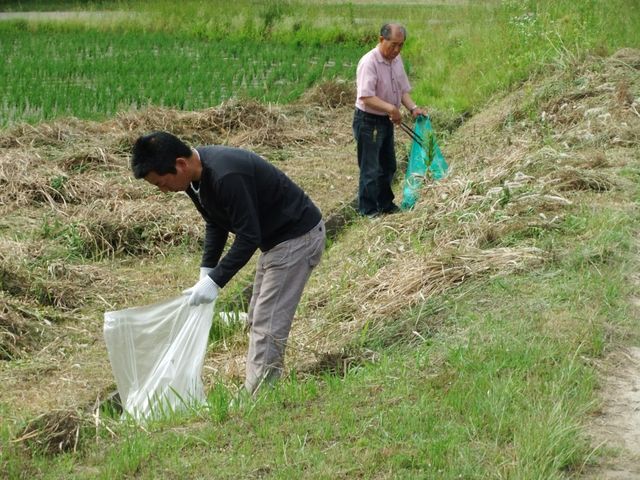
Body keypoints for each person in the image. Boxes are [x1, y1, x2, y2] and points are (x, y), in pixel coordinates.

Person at [130, 131, 326, 395]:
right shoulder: (194, 180)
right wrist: (207, 270)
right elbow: (215, 220)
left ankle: (259, 397)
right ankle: (260, 384)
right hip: (275, 241)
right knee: (257, 315)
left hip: (297, 238)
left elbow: (248, 236)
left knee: (267, 324)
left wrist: (216, 280)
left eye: (162, 183)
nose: (164, 190)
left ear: (180, 164)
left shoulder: (226, 175)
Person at [353, 23, 427, 217]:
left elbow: (402, 90)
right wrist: (391, 109)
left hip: (386, 120)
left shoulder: (396, 60)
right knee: (370, 168)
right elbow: (366, 96)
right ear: (381, 40)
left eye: (401, 45)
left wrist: (413, 108)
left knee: (388, 165)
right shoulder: (369, 62)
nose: (396, 50)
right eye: (393, 44)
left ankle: (386, 205)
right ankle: (368, 210)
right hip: (369, 121)